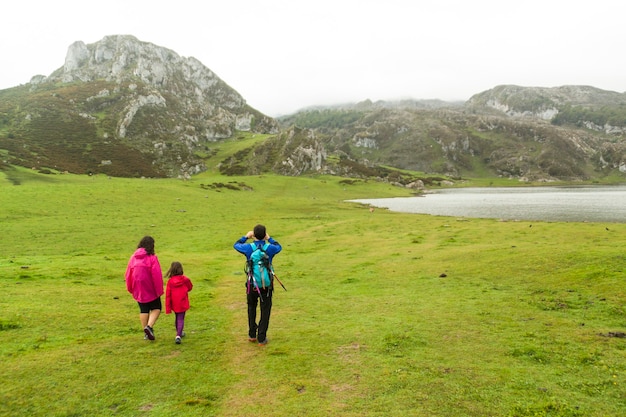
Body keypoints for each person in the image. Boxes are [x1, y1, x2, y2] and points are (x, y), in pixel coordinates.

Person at [234, 224, 282, 346]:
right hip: (267, 285)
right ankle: (262, 337)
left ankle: (252, 334)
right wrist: (269, 238)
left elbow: (236, 245)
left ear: (253, 235)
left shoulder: (248, 248)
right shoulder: (270, 248)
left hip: (252, 284)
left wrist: (245, 236)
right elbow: (279, 247)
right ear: (264, 235)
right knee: (265, 310)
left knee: (251, 307)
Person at [125, 236, 164, 341]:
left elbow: (128, 274)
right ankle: (149, 327)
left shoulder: (133, 257)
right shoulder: (152, 258)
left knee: (143, 309)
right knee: (157, 308)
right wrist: (159, 290)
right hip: (150, 287)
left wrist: (130, 288)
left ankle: (146, 333)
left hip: (138, 288)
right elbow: (157, 275)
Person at [165, 261, 193, 344]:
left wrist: (168, 306)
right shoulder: (185, 279)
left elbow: (168, 295)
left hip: (174, 302)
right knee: (181, 317)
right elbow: (190, 287)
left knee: (177, 317)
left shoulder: (170, 282)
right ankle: (178, 335)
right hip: (183, 301)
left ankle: (179, 332)